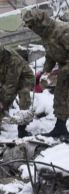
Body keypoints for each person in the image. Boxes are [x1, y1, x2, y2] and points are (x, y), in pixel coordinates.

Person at [23, 9, 69, 138]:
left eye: (33, 25)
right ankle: (60, 128)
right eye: (29, 27)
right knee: (61, 98)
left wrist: (63, 71)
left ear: (41, 22)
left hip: (66, 67)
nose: (32, 29)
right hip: (64, 69)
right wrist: (46, 70)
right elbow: (50, 55)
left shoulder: (63, 30)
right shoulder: (46, 36)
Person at [0, 41, 35, 137]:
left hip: (24, 78)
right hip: (8, 79)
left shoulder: (13, 60)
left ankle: (22, 129)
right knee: (1, 101)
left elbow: (12, 83)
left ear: (1, 53)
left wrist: (6, 103)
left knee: (24, 99)